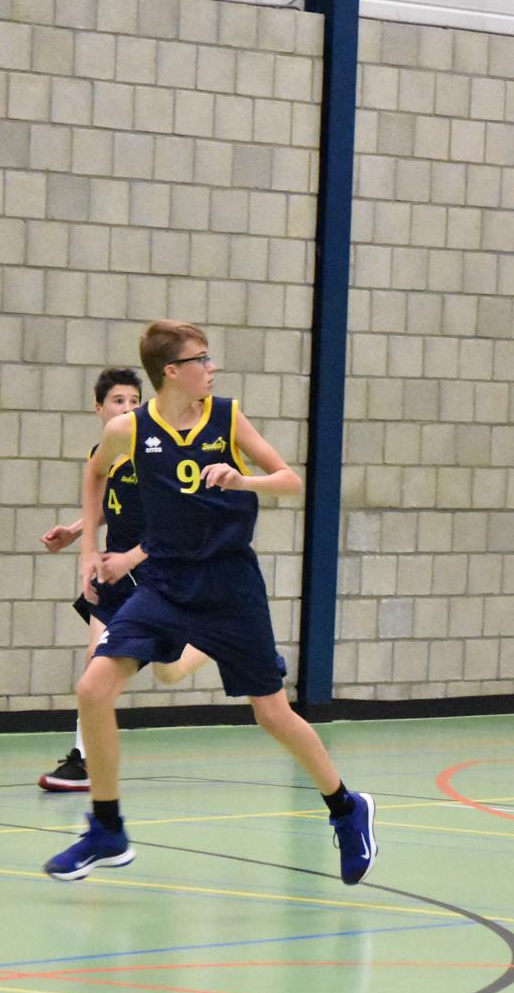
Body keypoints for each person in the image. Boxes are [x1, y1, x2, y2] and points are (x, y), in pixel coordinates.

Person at [42, 321, 376, 887]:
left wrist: (243, 482)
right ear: (172, 372)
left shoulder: (226, 417)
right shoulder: (131, 429)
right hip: (165, 584)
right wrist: (88, 548)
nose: (212, 367)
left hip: (230, 585)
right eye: (202, 359)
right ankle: (107, 829)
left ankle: (346, 808)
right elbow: (95, 474)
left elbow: (290, 480)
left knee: (272, 714)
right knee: (93, 689)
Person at [36, 368, 207, 792]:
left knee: (168, 672)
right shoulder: (105, 452)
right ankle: (84, 761)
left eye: (134, 401)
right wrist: (75, 532)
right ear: (98, 408)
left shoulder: (156, 453)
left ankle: (216, 641)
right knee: (95, 658)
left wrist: (134, 557)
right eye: (118, 401)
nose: (127, 408)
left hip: (154, 572)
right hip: (114, 574)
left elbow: (174, 521)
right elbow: (109, 506)